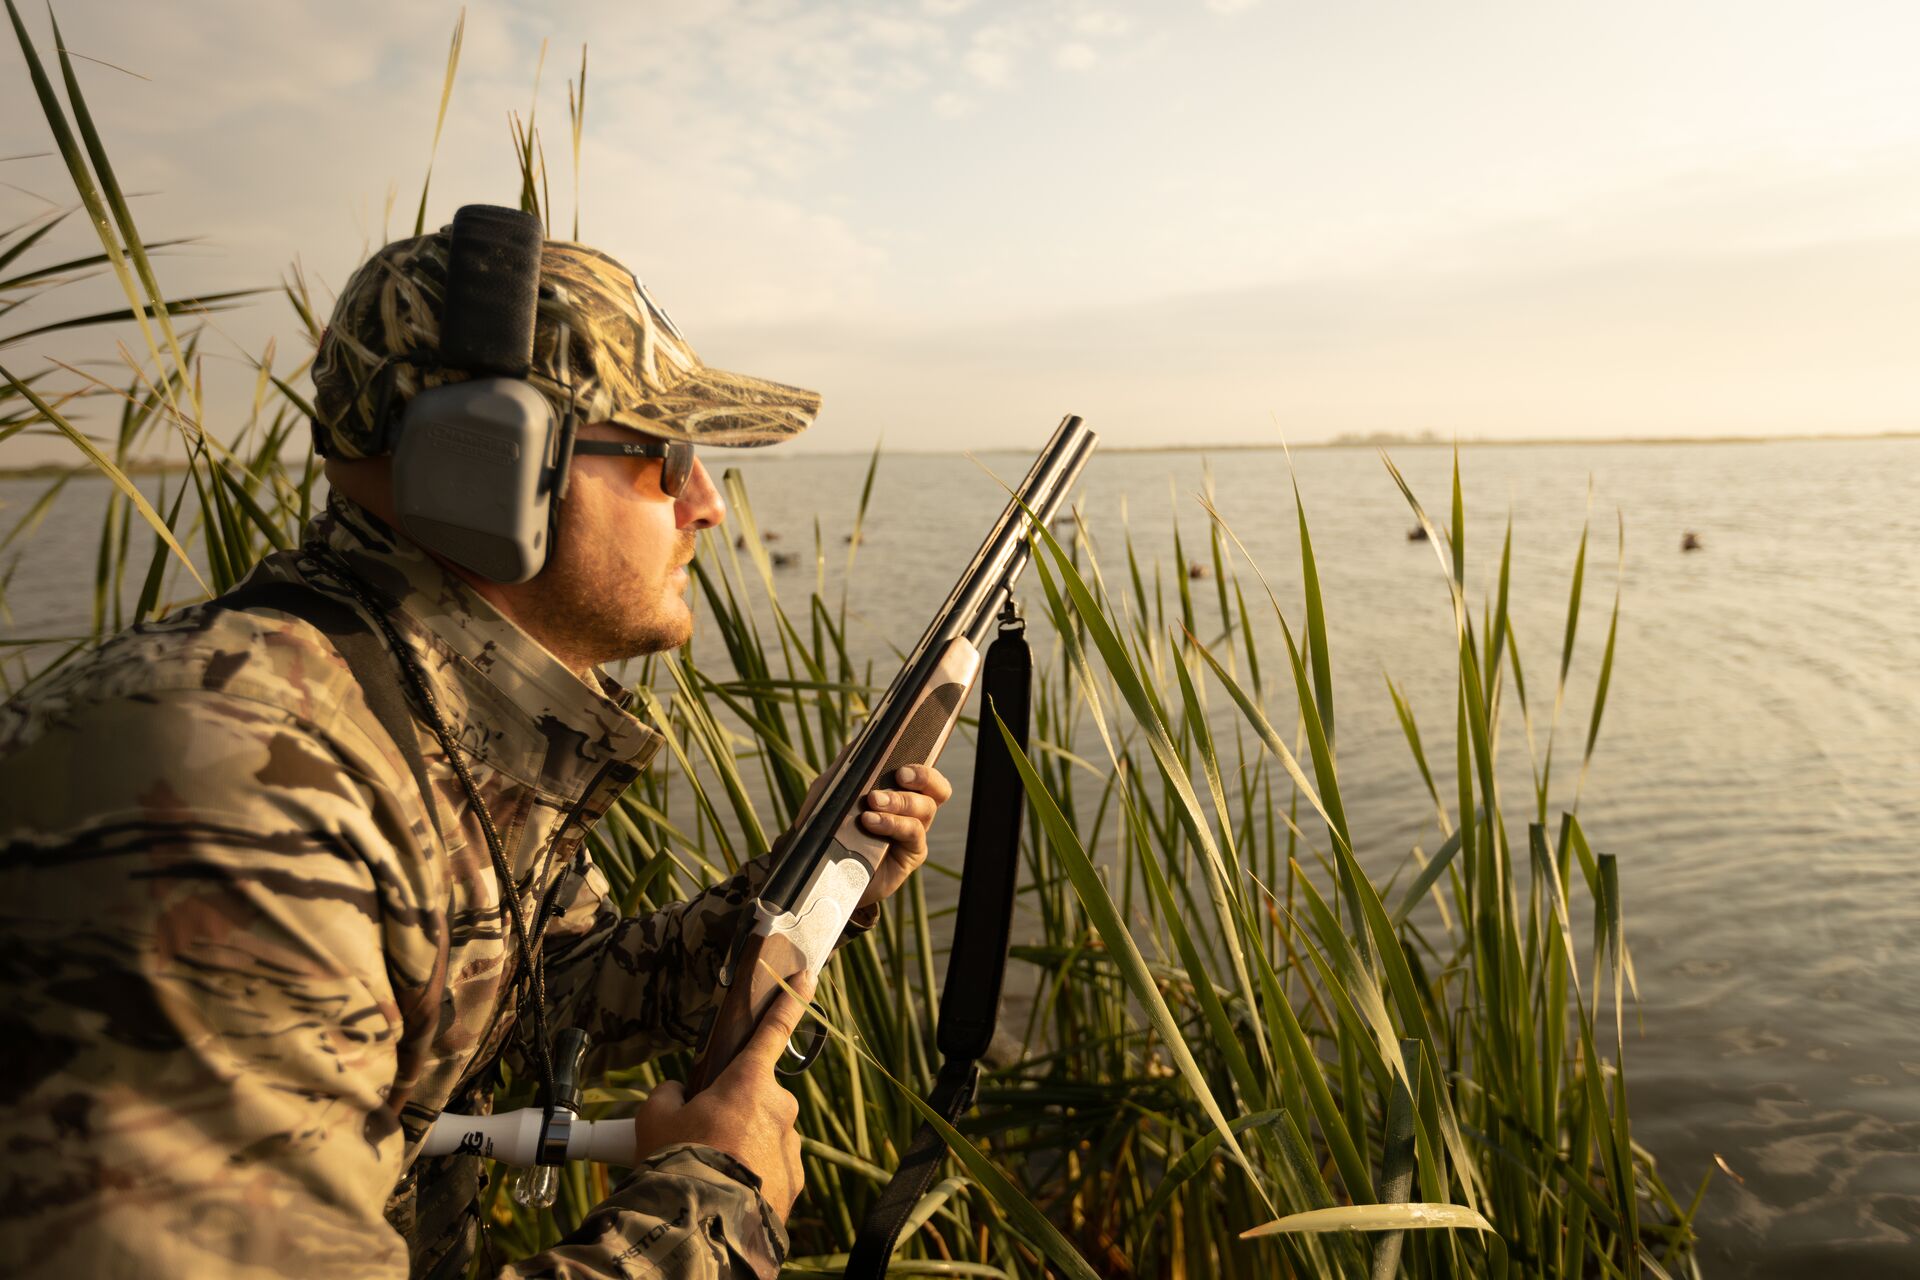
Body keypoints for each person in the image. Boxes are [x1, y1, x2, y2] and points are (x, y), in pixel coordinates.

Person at [0, 226, 951, 1278]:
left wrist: (812, 883)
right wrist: (711, 1207)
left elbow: (542, 984)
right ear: (492, 466)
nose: (708, 503)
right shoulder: (229, 788)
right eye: (665, 452)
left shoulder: (423, 716)